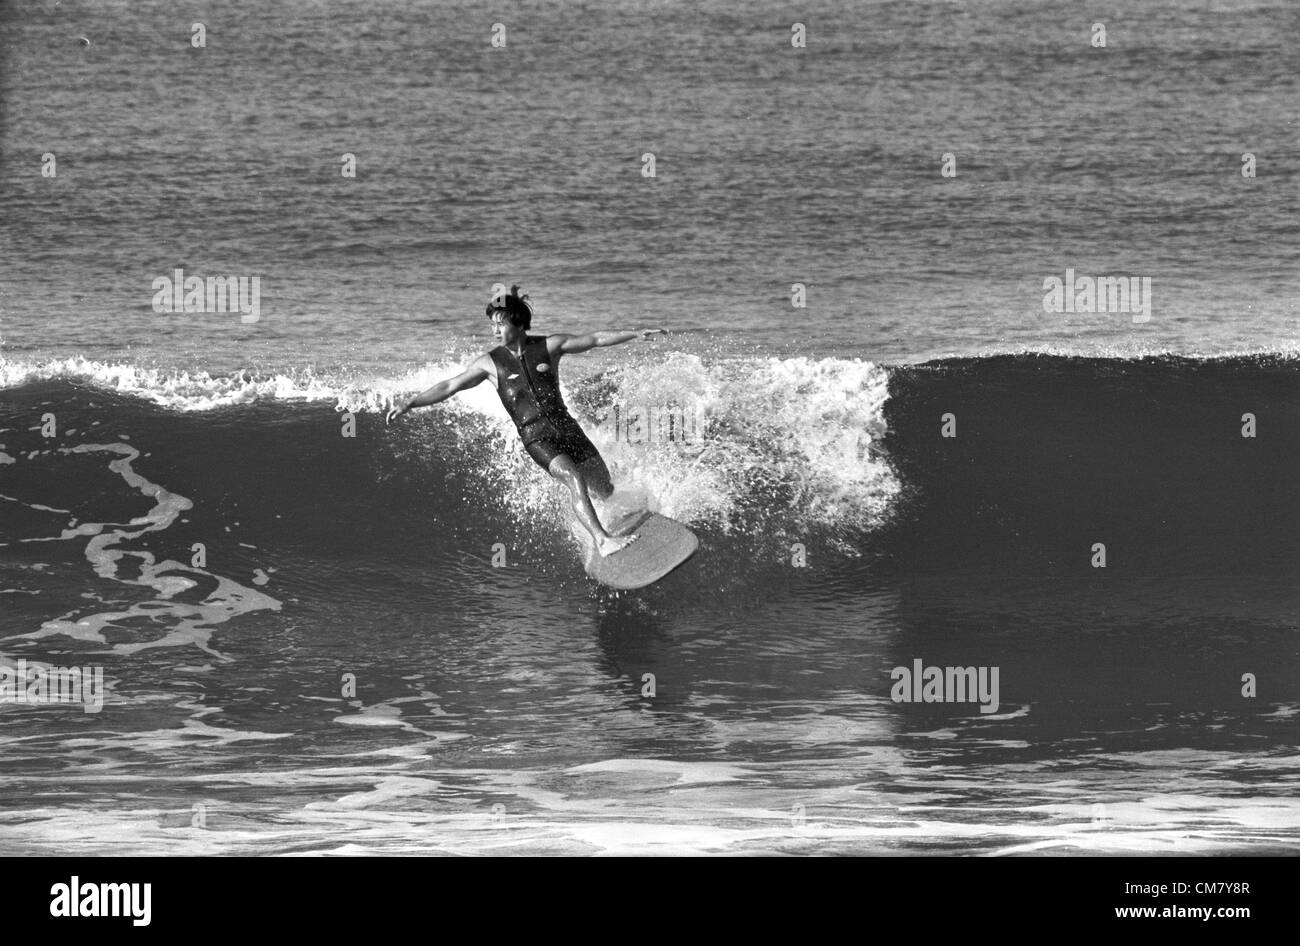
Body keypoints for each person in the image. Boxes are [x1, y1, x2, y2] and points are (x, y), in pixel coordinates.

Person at [386, 285, 665, 557]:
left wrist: (636, 334)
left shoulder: (550, 346)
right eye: (492, 325)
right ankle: (602, 540)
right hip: (538, 438)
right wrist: (411, 402)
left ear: (518, 323)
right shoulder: (489, 363)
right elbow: (450, 386)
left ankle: (616, 519)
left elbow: (594, 339)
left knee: (604, 488)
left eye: (500, 324)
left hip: (568, 429)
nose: (494, 331)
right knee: (574, 479)